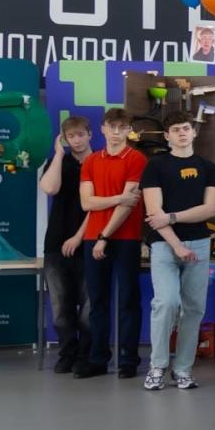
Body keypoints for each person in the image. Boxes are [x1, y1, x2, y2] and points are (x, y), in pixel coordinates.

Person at [139, 113, 215, 391]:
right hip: (164, 244)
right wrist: (176, 244)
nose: (182, 133)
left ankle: (183, 369)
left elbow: (209, 209)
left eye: (186, 128)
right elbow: (154, 212)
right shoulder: (155, 166)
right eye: (176, 130)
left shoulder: (208, 167)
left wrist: (173, 217)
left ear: (194, 132)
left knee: (194, 309)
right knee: (166, 303)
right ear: (167, 136)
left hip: (199, 243)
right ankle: (157, 366)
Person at [75, 108, 148, 379]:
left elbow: (129, 206)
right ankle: (98, 359)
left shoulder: (137, 159)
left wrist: (104, 236)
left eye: (122, 128)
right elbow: (87, 203)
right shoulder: (91, 161)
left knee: (128, 299)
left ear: (128, 130)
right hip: (93, 237)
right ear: (103, 129)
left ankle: (129, 360)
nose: (116, 133)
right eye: (112, 127)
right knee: (97, 301)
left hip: (125, 238)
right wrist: (117, 198)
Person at [37, 115, 93, 373]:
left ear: (90, 134)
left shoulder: (99, 162)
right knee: (60, 307)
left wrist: (79, 236)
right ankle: (67, 352)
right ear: (64, 139)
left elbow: (99, 208)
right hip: (56, 243)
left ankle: (86, 354)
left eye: (80, 135)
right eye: (71, 136)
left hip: (90, 243)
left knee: (89, 308)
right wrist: (59, 155)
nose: (77, 140)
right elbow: (49, 188)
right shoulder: (58, 162)